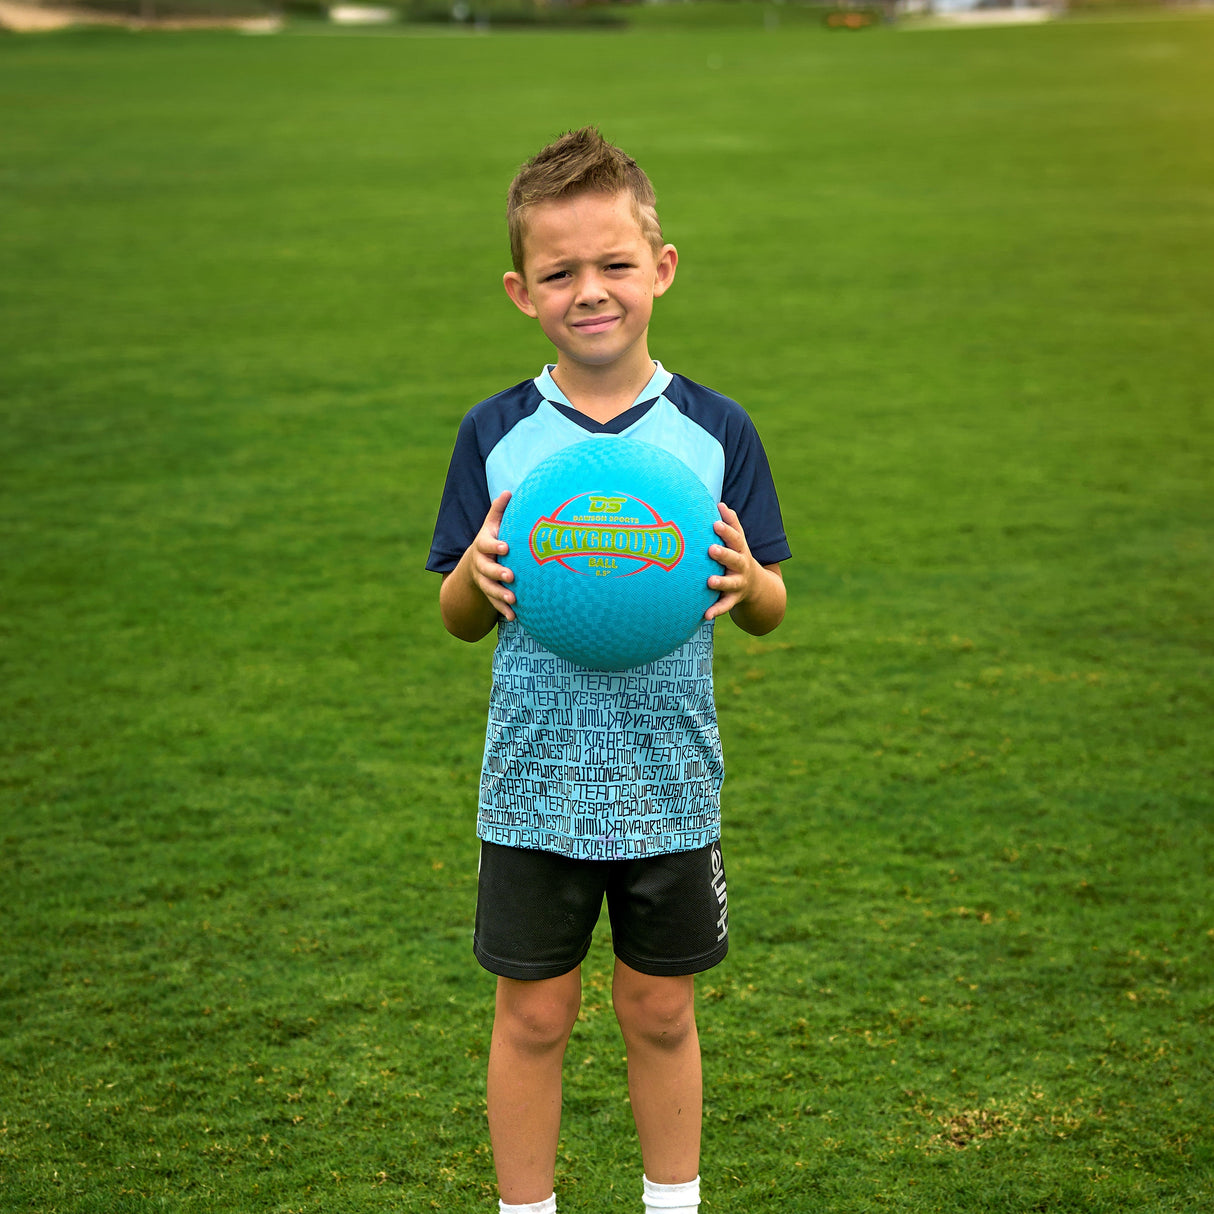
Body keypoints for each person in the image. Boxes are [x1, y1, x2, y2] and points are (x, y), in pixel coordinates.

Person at [426, 127, 790, 1214]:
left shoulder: (714, 433)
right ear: (519, 290)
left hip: (669, 781)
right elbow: (451, 611)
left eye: (613, 264)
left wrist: (745, 580)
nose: (590, 291)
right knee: (532, 1014)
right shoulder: (494, 434)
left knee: (659, 1009)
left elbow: (769, 604)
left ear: (660, 268)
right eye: (559, 273)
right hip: (532, 784)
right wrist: (477, 578)